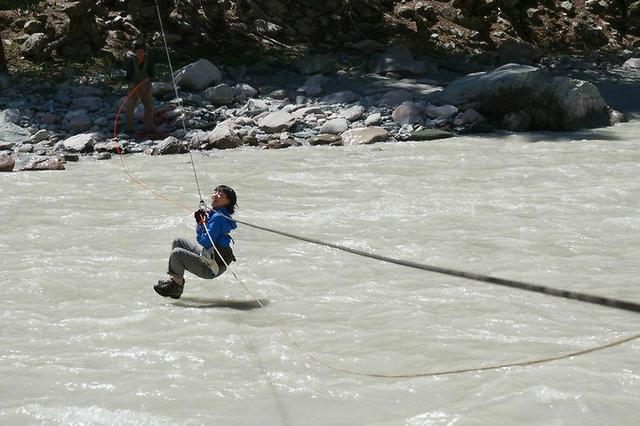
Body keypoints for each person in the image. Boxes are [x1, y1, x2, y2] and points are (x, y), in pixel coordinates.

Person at [154, 185, 238, 299]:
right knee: (178, 241)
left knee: (177, 253)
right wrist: (204, 218)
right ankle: (174, 281)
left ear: (227, 201)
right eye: (216, 191)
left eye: (221, 194)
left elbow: (205, 242)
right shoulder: (215, 214)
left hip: (212, 268)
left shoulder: (219, 217)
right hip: (210, 257)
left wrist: (199, 224)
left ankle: (176, 288)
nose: (216, 195)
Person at [125, 40, 155, 135]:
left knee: (149, 107)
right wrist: (135, 87)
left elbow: (151, 74)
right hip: (133, 86)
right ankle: (129, 128)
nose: (140, 54)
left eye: (141, 52)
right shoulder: (130, 61)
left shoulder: (149, 59)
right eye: (138, 52)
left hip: (146, 86)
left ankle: (149, 128)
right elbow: (128, 77)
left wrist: (146, 80)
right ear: (135, 53)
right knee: (130, 107)